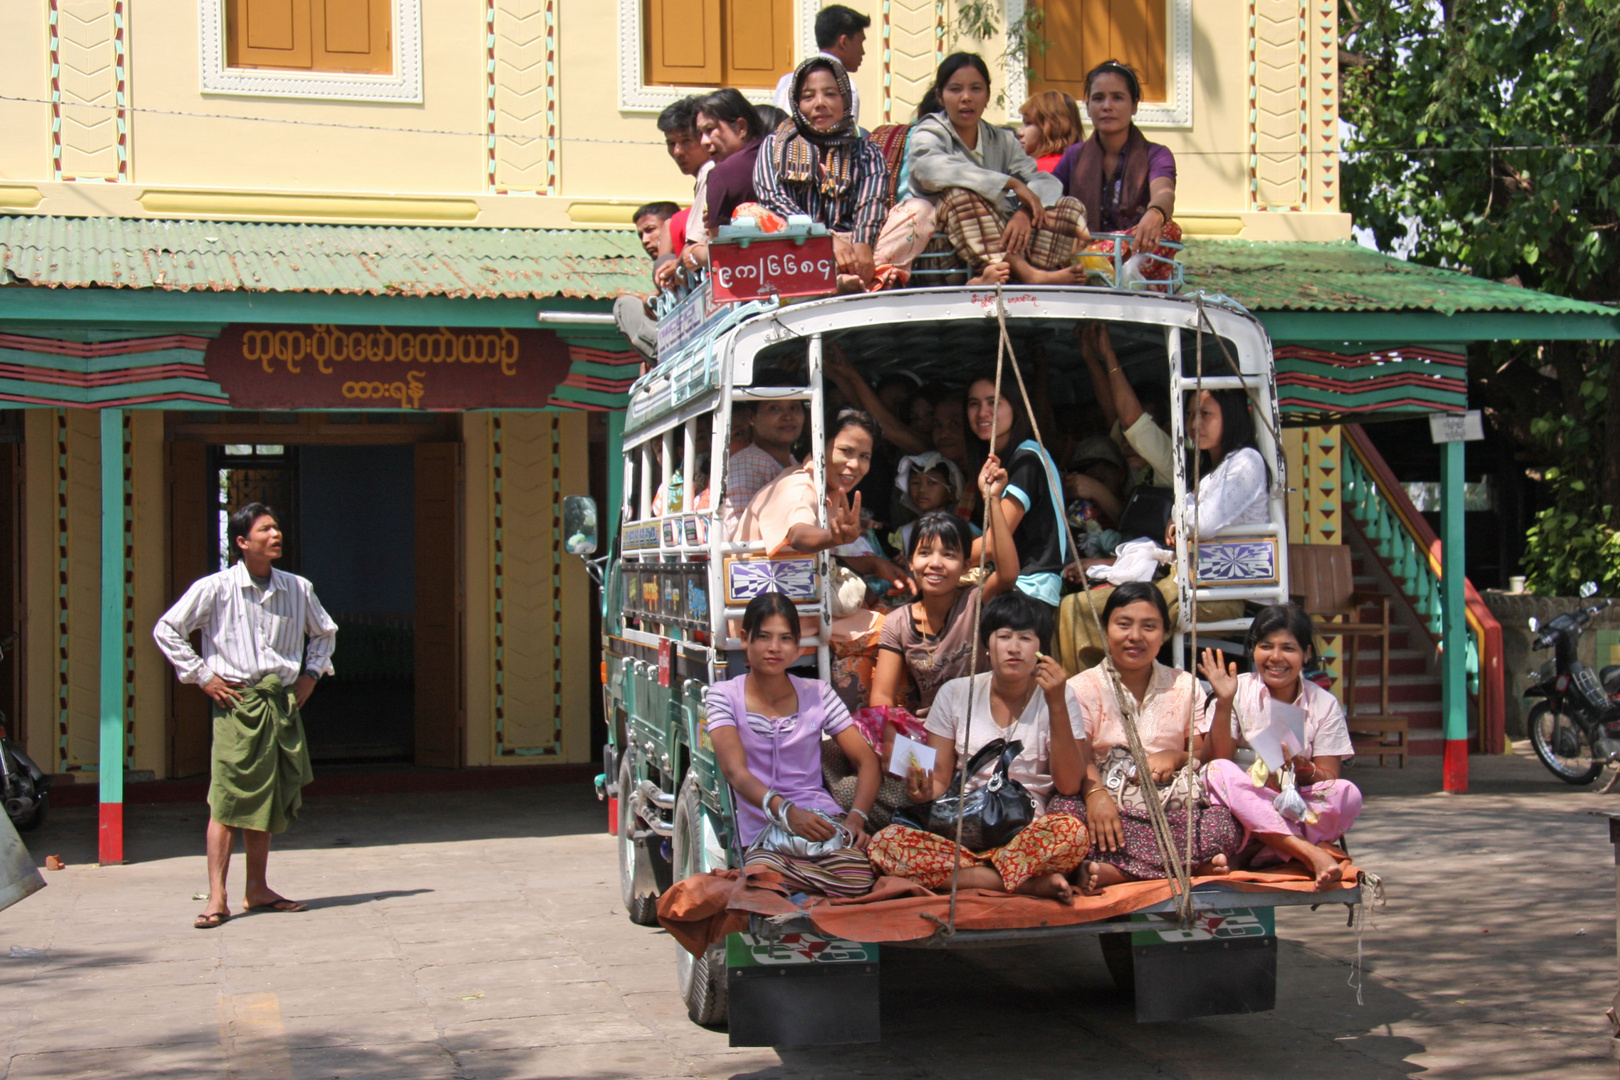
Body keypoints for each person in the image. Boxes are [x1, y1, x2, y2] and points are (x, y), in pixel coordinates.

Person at [153, 503, 337, 929]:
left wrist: (310, 675)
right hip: (237, 704)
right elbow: (167, 629)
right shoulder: (215, 588)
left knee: (267, 797)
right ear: (241, 541)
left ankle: (258, 888)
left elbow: (324, 632)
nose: (276, 535)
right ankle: (217, 896)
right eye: (265, 529)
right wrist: (203, 677)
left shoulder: (297, 588)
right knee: (228, 800)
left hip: (280, 704)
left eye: (277, 528)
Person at [867, 591, 1091, 903]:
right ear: (987, 645)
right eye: (1004, 636)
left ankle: (971, 876)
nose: (1014, 648)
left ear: (1041, 649)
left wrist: (1055, 703)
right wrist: (923, 789)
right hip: (962, 829)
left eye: (1025, 638)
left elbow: (1068, 784)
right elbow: (941, 780)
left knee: (1071, 833)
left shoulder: (1060, 696)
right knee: (885, 843)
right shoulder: (955, 693)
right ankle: (1023, 884)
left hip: (1025, 835)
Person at [1047, 582, 1242, 894]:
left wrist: (1178, 754)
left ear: (1163, 633)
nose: (1135, 637)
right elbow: (1080, 759)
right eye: (1123, 624)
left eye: (1149, 627)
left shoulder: (1184, 684)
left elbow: (1210, 761)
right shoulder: (1081, 687)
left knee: (1224, 822)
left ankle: (1121, 871)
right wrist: (1095, 795)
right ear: (1105, 628)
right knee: (1063, 814)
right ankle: (1187, 867)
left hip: (1172, 807)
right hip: (1111, 810)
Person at [707, 592, 880, 897]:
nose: (774, 648)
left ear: (798, 647)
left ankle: (792, 881)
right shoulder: (723, 696)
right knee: (762, 873)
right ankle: (802, 881)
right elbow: (735, 772)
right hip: (760, 828)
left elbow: (867, 761)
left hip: (820, 821)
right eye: (764, 637)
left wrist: (856, 818)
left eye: (785, 638)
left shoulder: (818, 693)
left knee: (859, 875)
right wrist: (786, 812)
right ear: (745, 640)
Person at [1196, 604, 1362, 890]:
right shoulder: (1239, 689)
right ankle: (1308, 852)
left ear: (1306, 654)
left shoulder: (1323, 703)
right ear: (1253, 650)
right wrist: (1224, 701)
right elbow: (1216, 759)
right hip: (1242, 803)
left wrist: (1303, 768)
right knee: (1218, 771)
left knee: (1348, 794)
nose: (1276, 657)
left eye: (1288, 648)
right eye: (1266, 646)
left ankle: (1252, 852)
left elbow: (1330, 777)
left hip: (1294, 801)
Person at [905, 53, 1090, 286]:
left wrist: (1026, 210)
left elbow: (1042, 180)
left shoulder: (1003, 140)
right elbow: (928, 170)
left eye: (975, 89)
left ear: (987, 96)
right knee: (959, 196)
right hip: (948, 258)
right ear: (940, 97)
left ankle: (1016, 273)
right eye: (955, 89)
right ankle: (1023, 274)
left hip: (1002, 249)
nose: (966, 98)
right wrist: (1009, 183)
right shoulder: (929, 131)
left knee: (1069, 206)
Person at [871, 457, 1019, 722]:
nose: (935, 564)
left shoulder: (975, 602)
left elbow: (1007, 574)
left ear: (965, 565)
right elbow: (882, 696)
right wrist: (894, 736)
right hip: (929, 730)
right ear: (910, 562)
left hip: (982, 724)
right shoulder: (897, 623)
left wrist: (993, 500)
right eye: (925, 553)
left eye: (948, 555)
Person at [732, 409, 894, 640]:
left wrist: (872, 564)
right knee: (896, 634)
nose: (855, 464)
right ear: (820, 447)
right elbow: (798, 534)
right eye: (846, 451)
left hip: (798, 610)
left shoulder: (824, 489)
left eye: (864, 456)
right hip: (778, 623)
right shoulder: (799, 487)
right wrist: (833, 537)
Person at [755, 56, 889, 291]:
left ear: (845, 99)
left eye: (830, 94)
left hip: (855, 246)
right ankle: (836, 280)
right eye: (808, 96)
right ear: (796, 103)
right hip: (800, 246)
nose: (819, 103)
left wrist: (862, 245)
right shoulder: (774, 146)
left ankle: (862, 277)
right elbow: (773, 200)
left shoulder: (867, 151)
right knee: (751, 212)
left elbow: (872, 203)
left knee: (918, 212)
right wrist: (825, 239)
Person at [1052, 60, 1180, 256]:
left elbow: (1164, 193)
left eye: (1117, 98)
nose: (1107, 106)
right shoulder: (1074, 156)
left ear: (1134, 105)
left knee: (1169, 229)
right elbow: (1048, 192)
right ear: (1087, 106)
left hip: (1136, 253)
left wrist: (1155, 213)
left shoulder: (1156, 154)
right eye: (1098, 98)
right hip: (1082, 252)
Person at [964, 372, 1068, 611]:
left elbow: (992, 545)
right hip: (1015, 586)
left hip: (1030, 589)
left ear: (1016, 408)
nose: (982, 413)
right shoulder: (1004, 460)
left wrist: (937, 558)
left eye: (994, 403)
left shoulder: (1027, 459)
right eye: (974, 404)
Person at [678, 89, 771, 276]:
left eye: (710, 130)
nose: (704, 142)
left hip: (751, 282)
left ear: (741, 128)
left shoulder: (721, 174)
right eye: (700, 134)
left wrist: (696, 253)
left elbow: (720, 253)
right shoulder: (783, 154)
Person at [1078, 321, 1174, 487]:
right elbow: (1113, 412)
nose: (1128, 442)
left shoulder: (1171, 461)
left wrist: (1109, 355)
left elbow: (1131, 419)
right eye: (1125, 435)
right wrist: (1090, 357)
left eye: (1143, 429)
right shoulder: (1133, 460)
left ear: (1166, 430)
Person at [721, 373, 806, 538]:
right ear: (752, 418)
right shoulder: (744, 464)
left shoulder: (793, 462)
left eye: (794, 407)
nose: (788, 416)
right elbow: (738, 534)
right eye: (774, 408)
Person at [772, 4, 868, 129]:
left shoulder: (786, 81)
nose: (863, 52)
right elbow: (847, 137)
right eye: (860, 43)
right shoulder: (845, 85)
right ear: (843, 42)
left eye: (829, 94)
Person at [613, 201, 683, 364]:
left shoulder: (690, 256)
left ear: (668, 227)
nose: (645, 240)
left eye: (650, 230)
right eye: (640, 235)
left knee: (624, 306)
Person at [888, 451, 972, 556]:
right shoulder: (905, 532)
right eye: (915, 483)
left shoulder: (962, 528)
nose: (921, 490)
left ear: (952, 492)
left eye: (932, 483)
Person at [1018, 89, 1085, 173]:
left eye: (1028, 123)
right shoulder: (1082, 163)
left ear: (1052, 128)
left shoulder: (1037, 170)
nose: (1020, 132)